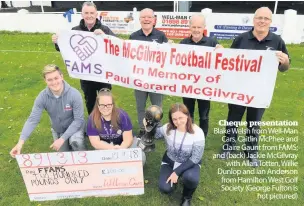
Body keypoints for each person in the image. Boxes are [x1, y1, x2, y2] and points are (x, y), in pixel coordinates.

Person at [220, 7, 290, 167]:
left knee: (254, 122)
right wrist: (222, 54)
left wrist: (285, 61)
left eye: (266, 19)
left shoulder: (277, 41)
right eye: (259, 18)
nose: (262, 21)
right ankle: (228, 146)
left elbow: (284, 67)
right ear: (254, 19)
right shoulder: (241, 39)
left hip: (260, 90)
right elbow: (229, 63)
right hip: (239, 88)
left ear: (270, 22)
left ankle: (251, 152)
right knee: (233, 119)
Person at [51, 1, 115, 114]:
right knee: (90, 101)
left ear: (96, 14)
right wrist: (57, 42)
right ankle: (93, 124)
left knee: (106, 101)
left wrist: (105, 37)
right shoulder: (75, 30)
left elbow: (116, 46)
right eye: (86, 13)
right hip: (86, 75)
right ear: (82, 14)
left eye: (92, 13)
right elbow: (65, 47)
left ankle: (107, 124)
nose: (89, 15)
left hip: (103, 75)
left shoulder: (104, 29)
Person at [10, 64, 85, 158]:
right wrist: (20, 143)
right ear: (45, 81)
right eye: (50, 80)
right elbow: (32, 120)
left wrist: (62, 139)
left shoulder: (74, 94)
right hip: (58, 130)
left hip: (75, 128)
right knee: (63, 157)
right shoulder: (42, 97)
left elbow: (78, 120)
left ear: (62, 77)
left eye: (56, 78)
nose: (54, 82)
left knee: (76, 143)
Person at [149, 103, 205, 206]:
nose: (178, 122)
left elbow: (196, 157)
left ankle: (186, 198)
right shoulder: (167, 128)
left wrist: (177, 172)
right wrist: (150, 124)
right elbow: (156, 135)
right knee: (165, 188)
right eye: (174, 119)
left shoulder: (197, 132)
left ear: (187, 116)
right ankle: (173, 182)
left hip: (189, 163)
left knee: (191, 178)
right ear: (171, 119)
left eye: (181, 118)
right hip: (170, 161)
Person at [180, 14, 223, 138]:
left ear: (204, 27)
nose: (196, 30)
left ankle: (203, 136)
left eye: (199, 27)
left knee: (204, 114)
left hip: (205, 86)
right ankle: (190, 134)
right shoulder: (183, 43)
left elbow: (223, 58)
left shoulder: (212, 42)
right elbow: (175, 60)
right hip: (188, 85)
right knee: (188, 113)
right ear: (189, 27)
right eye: (193, 26)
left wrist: (221, 49)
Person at [129, 8, 168, 138]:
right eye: (143, 17)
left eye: (149, 17)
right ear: (139, 20)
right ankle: (143, 128)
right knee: (141, 106)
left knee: (156, 106)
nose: (146, 19)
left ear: (154, 20)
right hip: (139, 78)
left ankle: (156, 129)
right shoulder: (133, 37)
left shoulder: (161, 36)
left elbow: (168, 57)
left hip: (156, 79)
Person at [87, 88, 146, 164]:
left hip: (124, 145)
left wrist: (120, 149)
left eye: (108, 105)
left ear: (113, 105)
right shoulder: (92, 118)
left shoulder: (122, 115)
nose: (105, 108)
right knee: (97, 162)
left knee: (141, 157)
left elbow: (128, 139)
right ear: (97, 105)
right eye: (102, 105)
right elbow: (95, 142)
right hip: (104, 146)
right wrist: (111, 148)